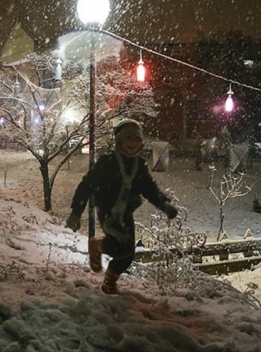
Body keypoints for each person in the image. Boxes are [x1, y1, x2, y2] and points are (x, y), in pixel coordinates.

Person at [66, 119, 179, 294]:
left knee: (128, 255)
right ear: (119, 141)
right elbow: (86, 185)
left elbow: (150, 189)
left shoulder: (138, 166)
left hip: (126, 211)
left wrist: (164, 205)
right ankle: (97, 246)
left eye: (136, 138)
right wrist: (76, 212)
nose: (132, 142)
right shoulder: (107, 162)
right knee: (122, 247)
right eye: (128, 138)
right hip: (107, 211)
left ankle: (109, 283)